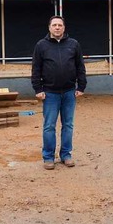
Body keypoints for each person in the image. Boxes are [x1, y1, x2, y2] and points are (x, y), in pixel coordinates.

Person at [31, 15, 87, 170]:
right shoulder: (41, 45)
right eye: (54, 25)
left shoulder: (73, 44)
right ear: (49, 28)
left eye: (60, 25)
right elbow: (36, 68)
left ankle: (66, 155)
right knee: (49, 126)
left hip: (69, 92)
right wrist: (38, 89)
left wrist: (81, 86)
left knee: (68, 125)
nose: (57, 28)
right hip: (50, 94)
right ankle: (48, 157)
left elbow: (80, 66)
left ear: (64, 28)